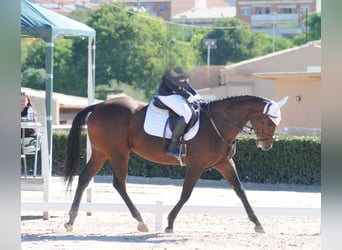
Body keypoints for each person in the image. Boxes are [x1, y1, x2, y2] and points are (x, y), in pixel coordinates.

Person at [157, 67, 203, 158]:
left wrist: (196, 95)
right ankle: (172, 146)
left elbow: (185, 84)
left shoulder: (181, 66)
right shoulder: (169, 67)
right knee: (187, 114)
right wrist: (188, 96)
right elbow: (174, 86)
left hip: (176, 94)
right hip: (167, 95)